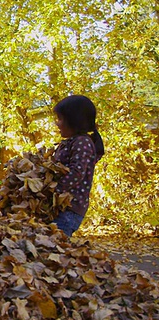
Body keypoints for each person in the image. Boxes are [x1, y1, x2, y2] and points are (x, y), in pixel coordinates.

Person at [52, 95, 105, 237]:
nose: (57, 123)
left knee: (54, 247)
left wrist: (51, 190)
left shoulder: (82, 142)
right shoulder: (69, 142)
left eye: (60, 119)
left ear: (74, 121)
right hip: (60, 207)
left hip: (70, 209)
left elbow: (76, 173)